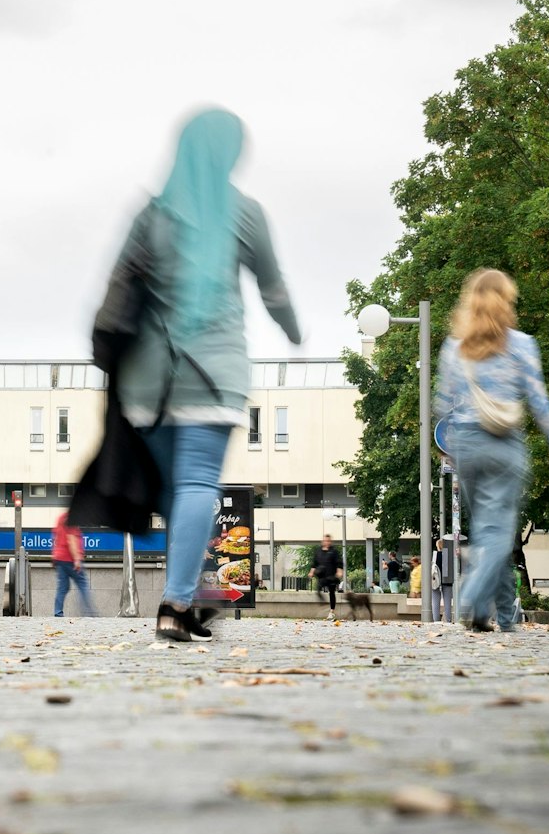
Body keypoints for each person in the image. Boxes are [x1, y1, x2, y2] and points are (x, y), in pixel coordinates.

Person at [94, 108, 300, 642]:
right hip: (214, 375)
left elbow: (116, 292)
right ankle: (179, 599)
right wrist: (293, 329)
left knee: (178, 490)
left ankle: (184, 596)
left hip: (150, 383)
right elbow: (273, 288)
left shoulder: (154, 214)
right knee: (195, 485)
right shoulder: (245, 213)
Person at [437, 269, 549, 632]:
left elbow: (442, 404)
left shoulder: (455, 347)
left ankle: (504, 616)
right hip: (504, 445)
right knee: (498, 532)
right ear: (507, 301)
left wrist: (449, 450)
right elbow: (540, 402)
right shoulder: (521, 344)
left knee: (488, 531)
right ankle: (471, 598)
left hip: (467, 446)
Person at [51, 510, 96, 617]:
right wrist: (77, 559)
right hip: (69, 559)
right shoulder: (71, 519)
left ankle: (58, 612)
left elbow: (56, 538)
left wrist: (54, 555)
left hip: (59, 558)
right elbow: (71, 540)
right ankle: (89, 613)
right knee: (83, 584)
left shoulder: (61, 517)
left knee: (62, 587)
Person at [311, 534, 343, 620]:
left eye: (329, 541)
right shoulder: (318, 552)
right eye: (325, 541)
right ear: (322, 541)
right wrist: (311, 572)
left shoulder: (334, 552)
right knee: (318, 589)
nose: (327, 542)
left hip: (332, 576)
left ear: (330, 542)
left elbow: (339, 563)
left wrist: (339, 571)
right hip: (322, 576)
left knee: (332, 593)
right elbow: (314, 563)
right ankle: (323, 601)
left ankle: (332, 612)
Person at [433, 536, 456, 622]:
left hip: (435, 580)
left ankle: (436, 620)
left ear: (438, 546)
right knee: (447, 601)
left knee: (435, 600)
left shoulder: (435, 556)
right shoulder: (449, 556)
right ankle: (448, 620)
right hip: (448, 580)